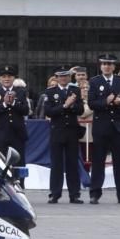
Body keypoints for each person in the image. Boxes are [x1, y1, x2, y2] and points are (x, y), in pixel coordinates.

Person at [88, 53, 120, 205]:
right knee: (98, 161)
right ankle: (95, 193)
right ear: (101, 66)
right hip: (101, 126)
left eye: (109, 64)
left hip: (118, 127)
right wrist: (106, 102)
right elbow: (91, 103)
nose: (107, 66)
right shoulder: (95, 81)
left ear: (114, 67)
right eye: (104, 64)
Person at [43, 66, 84, 204]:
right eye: (61, 76)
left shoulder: (75, 90)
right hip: (57, 131)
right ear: (56, 77)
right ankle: (55, 193)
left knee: (72, 163)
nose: (63, 78)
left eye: (66, 76)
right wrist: (65, 106)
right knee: (56, 164)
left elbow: (80, 110)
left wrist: (72, 105)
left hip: (72, 131)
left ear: (69, 77)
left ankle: (75, 194)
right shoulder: (50, 92)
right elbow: (48, 111)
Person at [0, 66, 30, 167]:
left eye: (9, 76)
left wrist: (13, 103)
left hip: (17, 134)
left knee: (19, 163)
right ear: (0, 79)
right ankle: (2, 183)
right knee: (1, 163)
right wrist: (4, 104)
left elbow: (26, 111)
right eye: (4, 76)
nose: (6, 79)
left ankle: (20, 183)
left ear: (14, 78)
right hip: (1, 133)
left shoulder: (21, 91)